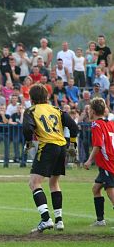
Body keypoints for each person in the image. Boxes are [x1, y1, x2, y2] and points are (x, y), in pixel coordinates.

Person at [23, 84, 78, 233]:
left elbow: (27, 129)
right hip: (61, 146)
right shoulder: (56, 110)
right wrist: (72, 143)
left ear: (31, 98)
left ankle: (46, 219)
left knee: (34, 182)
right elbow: (74, 126)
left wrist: (28, 142)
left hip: (47, 146)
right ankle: (59, 220)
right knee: (54, 183)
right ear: (46, 96)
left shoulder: (31, 111)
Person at [83, 98, 114, 227]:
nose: (88, 111)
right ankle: (100, 220)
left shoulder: (96, 125)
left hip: (108, 163)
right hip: (108, 162)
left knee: (110, 190)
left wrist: (89, 160)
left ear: (94, 111)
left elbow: (98, 145)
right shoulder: (110, 123)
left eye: (89, 109)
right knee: (96, 189)